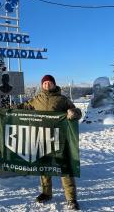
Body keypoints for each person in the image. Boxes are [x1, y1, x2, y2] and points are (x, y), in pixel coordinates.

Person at [17, 74, 81, 210]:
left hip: (59, 139)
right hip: (41, 138)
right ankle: (46, 193)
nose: (47, 85)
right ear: (42, 85)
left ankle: (71, 199)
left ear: (54, 84)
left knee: (64, 169)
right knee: (45, 168)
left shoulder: (62, 100)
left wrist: (73, 112)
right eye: (44, 83)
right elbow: (22, 107)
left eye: (49, 83)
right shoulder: (36, 99)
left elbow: (77, 112)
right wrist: (2, 109)